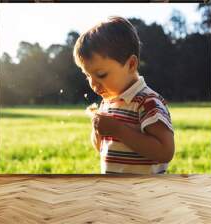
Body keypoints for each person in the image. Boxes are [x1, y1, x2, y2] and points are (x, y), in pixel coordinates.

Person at [73, 16, 175, 174]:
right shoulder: (107, 103)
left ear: (131, 65)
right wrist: (98, 129)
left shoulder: (147, 102)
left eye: (101, 74)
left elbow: (165, 152)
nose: (93, 84)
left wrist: (118, 130)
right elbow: (102, 148)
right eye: (88, 76)